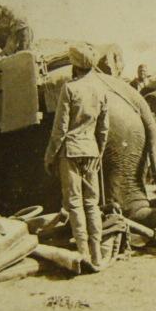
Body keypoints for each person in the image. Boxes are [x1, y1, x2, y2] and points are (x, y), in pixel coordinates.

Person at [44, 44, 109, 272]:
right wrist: (99, 153)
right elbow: (103, 129)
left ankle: (83, 254)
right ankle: (98, 255)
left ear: (75, 65)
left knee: (74, 203)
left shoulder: (69, 89)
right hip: (91, 151)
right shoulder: (101, 91)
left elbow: (60, 129)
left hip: (70, 151)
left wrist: (50, 155)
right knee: (92, 203)